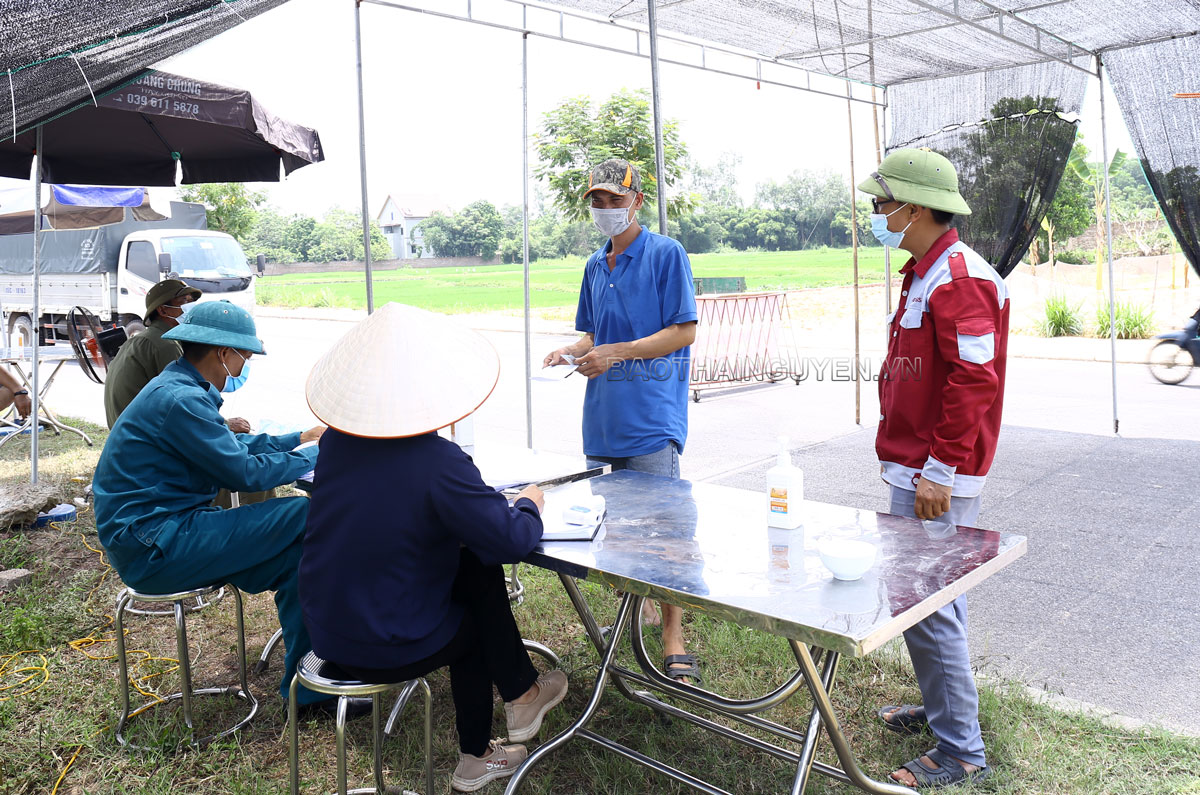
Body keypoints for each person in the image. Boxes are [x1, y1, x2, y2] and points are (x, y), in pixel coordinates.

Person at [300, 302, 568, 793]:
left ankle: (523, 693)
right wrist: (529, 504)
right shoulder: (437, 461)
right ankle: (478, 755)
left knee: (472, 564)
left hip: (326, 630)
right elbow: (509, 539)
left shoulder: (336, 444)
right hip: (380, 642)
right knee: (475, 627)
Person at [92, 301, 341, 716]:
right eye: (244, 356)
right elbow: (243, 472)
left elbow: (231, 448)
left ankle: (308, 692)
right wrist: (323, 452)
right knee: (304, 513)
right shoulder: (178, 400)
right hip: (155, 543)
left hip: (169, 531)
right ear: (224, 354)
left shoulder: (181, 391)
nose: (244, 365)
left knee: (301, 559)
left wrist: (298, 437)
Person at [859, 147, 1008, 788]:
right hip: (915, 464)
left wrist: (940, 470)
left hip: (934, 471)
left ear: (913, 207)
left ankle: (960, 752)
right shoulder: (925, 269)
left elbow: (974, 380)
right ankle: (942, 707)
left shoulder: (958, 278)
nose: (874, 214)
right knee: (935, 597)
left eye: (880, 203)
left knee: (926, 600)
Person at [542, 158, 700, 684]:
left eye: (615, 199)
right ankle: (635, 611)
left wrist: (619, 353)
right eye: (597, 200)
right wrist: (573, 349)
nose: (605, 209)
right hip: (603, 418)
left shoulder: (665, 255)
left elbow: (683, 332)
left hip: (652, 414)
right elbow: (592, 335)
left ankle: (673, 635)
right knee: (612, 525)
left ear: (636, 201)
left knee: (666, 528)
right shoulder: (593, 265)